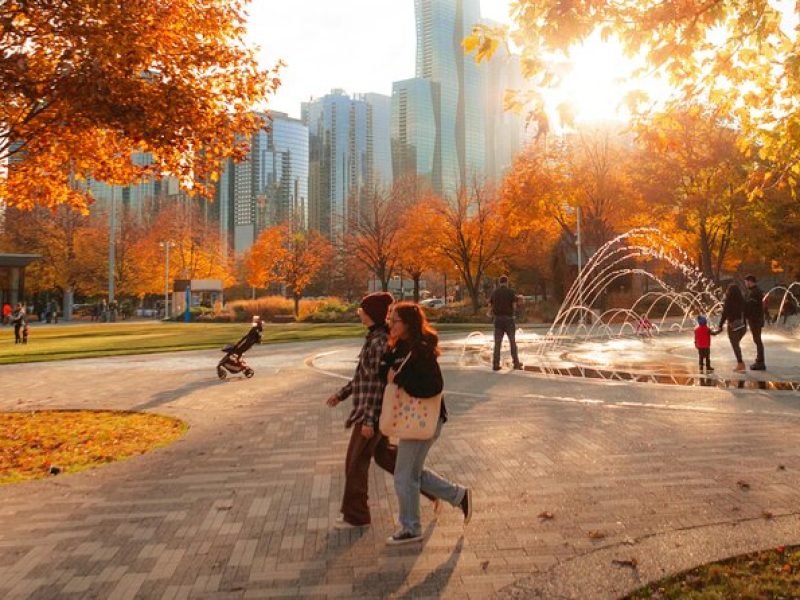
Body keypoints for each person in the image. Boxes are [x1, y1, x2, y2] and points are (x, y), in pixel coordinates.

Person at [380, 302, 472, 545]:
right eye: (391, 319)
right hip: (411, 421)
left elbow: (434, 387)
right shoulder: (398, 347)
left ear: (408, 323)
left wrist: (399, 379)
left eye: (395, 320)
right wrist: (389, 371)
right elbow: (385, 374)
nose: (391, 324)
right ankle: (458, 495)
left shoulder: (421, 350)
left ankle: (410, 528)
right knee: (412, 473)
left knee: (403, 474)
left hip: (424, 421)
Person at [326, 292, 394, 529]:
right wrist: (341, 394)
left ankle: (356, 516)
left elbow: (378, 385)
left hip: (370, 414)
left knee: (355, 464)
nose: (359, 313)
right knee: (390, 459)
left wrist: (369, 420)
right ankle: (444, 491)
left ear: (371, 314)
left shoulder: (378, 343)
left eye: (362, 310)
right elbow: (362, 377)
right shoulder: (374, 339)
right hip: (370, 413)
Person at [489, 275, 522, 371]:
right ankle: (516, 363)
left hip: (498, 320)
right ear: (507, 282)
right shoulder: (511, 292)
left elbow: (490, 305)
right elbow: (514, 305)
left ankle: (495, 364)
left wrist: (490, 313)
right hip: (508, 320)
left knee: (497, 343)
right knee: (512, 342)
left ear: (500, 282)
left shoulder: (495, 293)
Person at [715, 283, 747, 372]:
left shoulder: (728, 301)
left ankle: (740, 364)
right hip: (743, 326)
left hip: (733, 326)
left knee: (735, 345)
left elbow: (724, 314)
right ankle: (740, 363)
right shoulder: (742, 300)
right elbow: (747, 311)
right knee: (737, 344)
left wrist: (720, 325)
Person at [743, 275, 766, 370]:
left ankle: (760, 362)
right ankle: (759, 360)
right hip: (756, 319)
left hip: (755, 319)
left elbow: (750, 307)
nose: (745, 284)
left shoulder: (754, 292)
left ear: (750, 282)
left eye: (746, 282)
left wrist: (744, 313)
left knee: (757, 340)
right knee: (757, 340)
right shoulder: (755, 291)